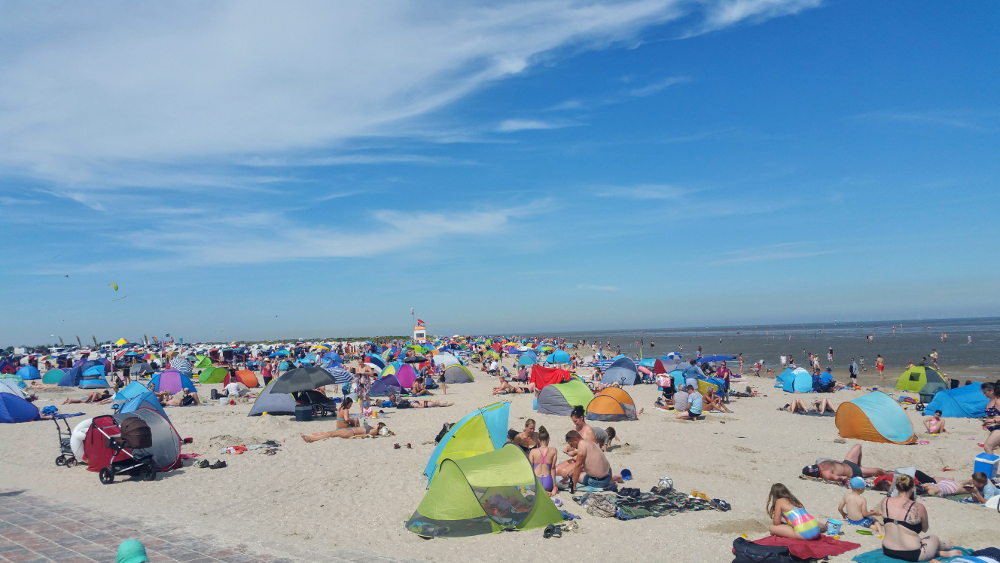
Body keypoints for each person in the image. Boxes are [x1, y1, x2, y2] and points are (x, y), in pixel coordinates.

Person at [880, 474, 961, 561]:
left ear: (896, 487)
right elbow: (924, 529)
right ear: (912, 489)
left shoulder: (885, 501)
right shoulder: (918, 507)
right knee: (934, 538)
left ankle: (939, 553)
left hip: (888, 550)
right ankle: (947, 546)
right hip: (913, 553)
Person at [802, 444, 886, 483]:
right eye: (817, 469)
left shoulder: (819, 465)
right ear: (816, 474)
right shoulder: (825, 473)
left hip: (847, 462)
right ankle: (889, 476)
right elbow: (834, 477)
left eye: (816, 467)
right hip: (855, 471)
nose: (818, 467)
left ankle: (859, 464)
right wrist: (841, 478)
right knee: (879, 471)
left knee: (858, 446)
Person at [528, 426, 558, 496]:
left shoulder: (533, 451)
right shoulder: (553, 450)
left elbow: (530, 468)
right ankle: (550, 491)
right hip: (547, 484)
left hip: (535, 485)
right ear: (548, 439)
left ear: (538, 440)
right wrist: (554, 486)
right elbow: (553, 469)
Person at [301, 422, 391, 442]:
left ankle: (311, 439)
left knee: (331, 434)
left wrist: (354, 437)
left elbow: (366, 435)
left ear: (379, 425)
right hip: (350, 430)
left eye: (377, 424)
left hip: (352, 433)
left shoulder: (374, 430)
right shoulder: (373, 428)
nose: (375, 424)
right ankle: (313, 437)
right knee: (331, 433)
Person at [981, 382, 1000, 455]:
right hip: (994, 429)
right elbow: (993, 415)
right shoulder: (991, 400)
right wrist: (986, 422)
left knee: (987, 447)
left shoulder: (998, 401)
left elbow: (995, 417)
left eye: (985, 392)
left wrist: (994, 420)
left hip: (999, 429)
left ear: (992, 391)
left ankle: (991, 466)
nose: (984, 394)